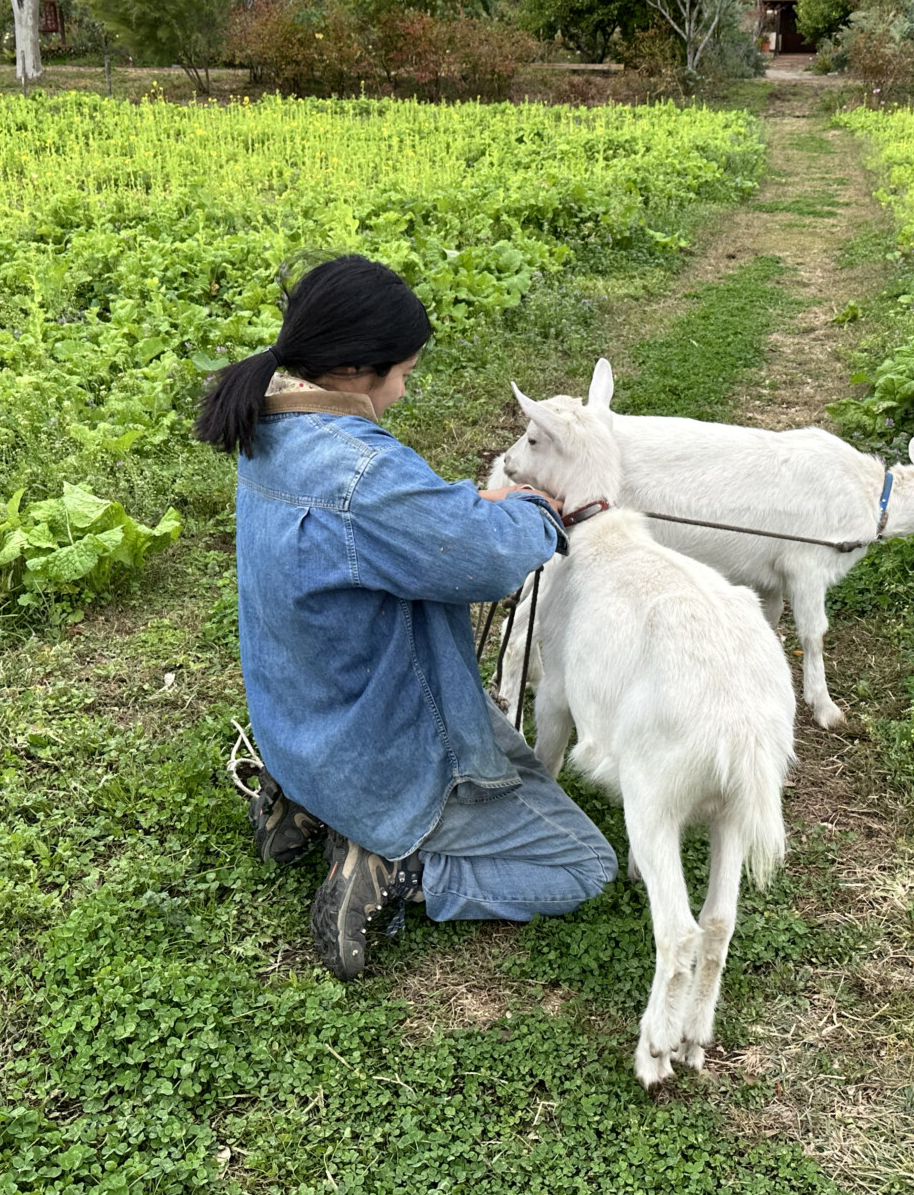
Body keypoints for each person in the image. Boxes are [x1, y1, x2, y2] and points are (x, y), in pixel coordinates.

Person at [195, 254, 617, 981]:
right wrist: (530, 512)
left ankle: (305, 798)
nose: (402, 389)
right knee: (582, 864)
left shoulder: (271, 427)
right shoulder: (361, 472)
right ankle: (397, 868)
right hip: (378, 752)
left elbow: (400, 528)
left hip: (301, 731)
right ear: (361, 368)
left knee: (514, 766)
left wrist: (467, 510)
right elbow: (484, 561)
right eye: (404, 374)